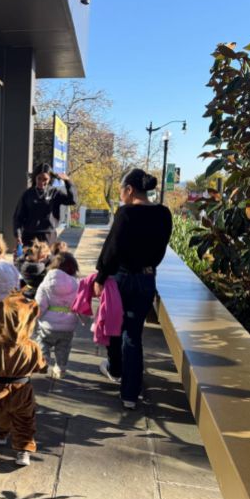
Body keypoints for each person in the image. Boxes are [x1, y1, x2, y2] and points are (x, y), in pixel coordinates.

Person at [94, 168, 172, 409]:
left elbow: (112, 250)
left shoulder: (126, 214)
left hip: (122, 279)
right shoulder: (163, 214)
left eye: (121, 190)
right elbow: (160, 251)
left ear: (129, 190)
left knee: (113, 324)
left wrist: (100, 276)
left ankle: (115, 369)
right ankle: (130, 393)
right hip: (147, 279)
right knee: (133, 335)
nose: (121, 195)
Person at [0, 292, 48, 466]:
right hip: (23, 391)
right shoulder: (32, 347)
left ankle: (1, 435)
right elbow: (40, 366)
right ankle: (23, 451)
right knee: (25, 421)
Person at [35, 252, 80, 379]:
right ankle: (60, 368)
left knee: (43, 341)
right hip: (68, 325)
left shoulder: (46, 282)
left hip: (48, 325)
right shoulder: (76, 284)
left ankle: (43, 361)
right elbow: (80, 303)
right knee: (63, 348)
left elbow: (40, 304)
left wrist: (36, 317)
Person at [13, 163, 76, 246]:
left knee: (47, 259)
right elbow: (18, 217)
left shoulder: (55, 193)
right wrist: (18, 235)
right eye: (39, 178)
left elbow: (72, 200)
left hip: (48, 236)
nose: (41, 182)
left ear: (50, 179)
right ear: (35, 177)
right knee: (29, 259)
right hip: (29, 236)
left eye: (45, 179)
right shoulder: (27, 194)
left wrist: (67, 182)